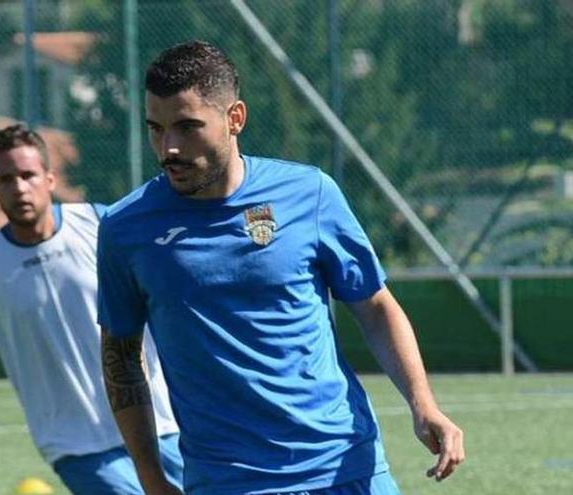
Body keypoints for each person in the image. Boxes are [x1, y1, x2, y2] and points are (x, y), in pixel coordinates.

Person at [97, 40, 465, 495]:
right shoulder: (125, 227)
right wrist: (153, 480)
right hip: (229, 482)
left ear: (235, 119)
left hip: (345, 464)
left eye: (187, 127)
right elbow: (120, 354)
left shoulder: (310, 194)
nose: (168, 148)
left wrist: (423, 404)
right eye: (156, 129)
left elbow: (373, 305)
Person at [0, 124, 183, 495]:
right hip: (75, 445)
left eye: (28, 175)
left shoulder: (100, 224)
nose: (19, 188)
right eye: (6, 179)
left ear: (49, 179)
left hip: (157, 420)